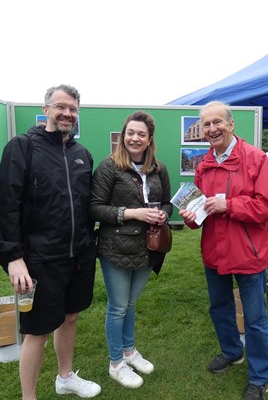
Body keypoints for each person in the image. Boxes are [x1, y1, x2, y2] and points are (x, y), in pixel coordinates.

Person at [0, 85, 101, 399]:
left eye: (73, 109)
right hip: (39, 258)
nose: (67, 113)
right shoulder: (22, 147)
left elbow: (86, 204)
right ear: (46, 108)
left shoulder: (82, 155)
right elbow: (6, 204)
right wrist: (13, 256)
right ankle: (29, 396)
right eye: (61, 107)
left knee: (70, 317)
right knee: (36, 330)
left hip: (78, 255)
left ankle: (65, 377)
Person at [179, 101, 268, 400]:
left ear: (231, 124)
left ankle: (259, 377)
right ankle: (233, 351)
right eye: (206, 125)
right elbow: (201, 213)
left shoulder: (256, 159)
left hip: (248, 251)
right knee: (219, 308)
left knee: (255, 318)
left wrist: (229, 205)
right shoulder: (204, 164)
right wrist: (191, 216)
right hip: (215, 250)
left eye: (217, 122)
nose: (212, 129)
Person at [89, 111, 172, 389]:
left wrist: (162, 214)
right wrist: (133, 212)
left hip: (148, 248)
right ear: (124, 135)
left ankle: (129, 350)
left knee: (131, 304)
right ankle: (116, 363)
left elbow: (167, 203)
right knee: (118, 307)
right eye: (130, 133)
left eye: (141, 134)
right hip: (116, 248)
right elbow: (95, 207)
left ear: (149, 140)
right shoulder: (109, 166)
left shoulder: (158, 168)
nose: (135, 138)